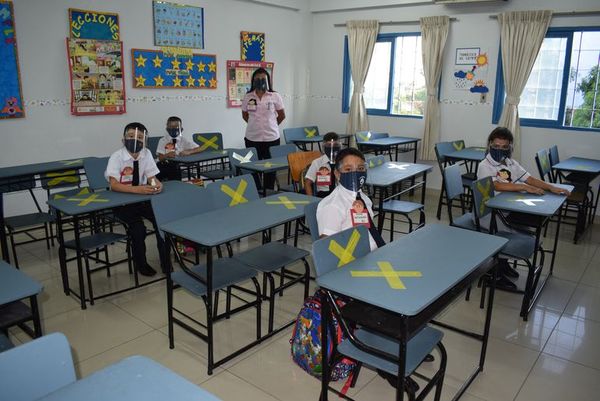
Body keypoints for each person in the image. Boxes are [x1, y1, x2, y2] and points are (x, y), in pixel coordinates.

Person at [477, 126, 570, 290]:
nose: (500, 150)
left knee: (523, 224)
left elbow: (529, 178)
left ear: (510, 147)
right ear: (490, 145)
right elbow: (496, 184)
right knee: (513, 232)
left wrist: (550, 187)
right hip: (489, 212)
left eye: (504, 147)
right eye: (496, 146)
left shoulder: (510, 162)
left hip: (507, 208)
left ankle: (502, 264)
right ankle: (493, 274)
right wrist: (522, 188)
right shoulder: (485, 165)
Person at [105, 122, 166, 277]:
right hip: (122, 201)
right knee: (138, 230)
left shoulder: (147, 154)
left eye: (140, 137)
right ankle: (141, 264)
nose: (135, 140)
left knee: (163, 222)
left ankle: (166, 262)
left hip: (141, 199)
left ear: (145, 141)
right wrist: (137, 190)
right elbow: (114, 185)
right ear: (123, 139)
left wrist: (157, 185)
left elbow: (151, 177)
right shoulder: (117, 157)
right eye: (131, 136)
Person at [316, 147, 384, 251]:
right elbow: (327, 248)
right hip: (356, 260)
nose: (355, 173)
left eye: (360, 169)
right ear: (337, 174)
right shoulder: (333, 206)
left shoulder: (363, 198)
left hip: (375, 252)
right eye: (348, 169)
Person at [241, 68, 285, 190]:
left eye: (262, 79)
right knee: (253, 166)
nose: (260, 81)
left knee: (271, 167)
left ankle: (269, 190)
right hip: (252, 138)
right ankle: (257, 190)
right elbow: (245, 115)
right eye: (257, 79)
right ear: (253, 81)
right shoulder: (248, 96)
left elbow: (281, 115)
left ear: (267, 80)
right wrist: (254, 125)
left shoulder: (275, 96)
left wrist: (272, 125)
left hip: (272, 138)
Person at [156, 116, 202, 181]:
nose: (173, 128)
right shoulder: (163, 140)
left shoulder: (184, 140)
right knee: (168, 169)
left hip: (178, 167)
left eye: (176, 126)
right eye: (171, 126)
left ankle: (176, 186)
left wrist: (189, 152)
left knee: (176, 169)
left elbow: (200, 148)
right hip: (163, 165)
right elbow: (160, 158)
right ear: (167, 128)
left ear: (181, 129)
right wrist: (167, 155)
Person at [304, 132, 341, 198]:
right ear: (324, 147)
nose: (332, 148)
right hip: (323, 195)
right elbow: (307, 183)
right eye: (329, 145)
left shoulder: (344, 162)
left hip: (340, 193)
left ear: (339, 147)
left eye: (335, 145)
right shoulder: (317, 163)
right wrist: (311, 200)